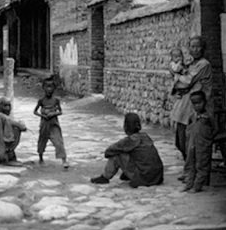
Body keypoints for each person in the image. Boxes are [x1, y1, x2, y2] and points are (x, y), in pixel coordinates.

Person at [170, 36, 213, 164]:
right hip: (183, 108)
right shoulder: (190, 64)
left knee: (191, 143)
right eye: (192, 46)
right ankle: (188, 168)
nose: (195, 49)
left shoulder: (204, 64)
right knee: (180, 142)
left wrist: (177, 78)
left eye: (198, 46)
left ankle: (192, 171)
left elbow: (187, 82)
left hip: (195, 109)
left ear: (203, 48)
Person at [91, 113, 164, 188]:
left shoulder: (130, 140)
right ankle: (127, 174)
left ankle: (105, 177)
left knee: (117, 155)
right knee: (132, 153)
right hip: (157, 177)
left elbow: (108, 152)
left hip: (144, 178)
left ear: (126, 126)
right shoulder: (145, 136)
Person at [183, 91, 216, 193]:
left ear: (204, 102)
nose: (197, 106)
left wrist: (209, 139)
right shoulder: (192, 115)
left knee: (201, 164)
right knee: (190, 164)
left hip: (203, 144)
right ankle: (189, 184)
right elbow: (188, 127)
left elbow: (215, 128)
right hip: (192, 143)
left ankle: (197, 186)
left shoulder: (209, 115)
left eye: (199, 103)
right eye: (194, 103)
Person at [33, 77, 69, 168]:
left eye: (51, 87)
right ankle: (40, 158)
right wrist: (43, 116)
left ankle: (64, 160)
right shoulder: (41, 101)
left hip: (54, 124)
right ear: (43, 88)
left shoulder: (56, 100)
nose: (49, 89)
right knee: (42, 141)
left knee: (58, 141)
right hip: (44, 124)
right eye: (47, 87)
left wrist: (53, 113)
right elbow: (35, 111)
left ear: (54, 89)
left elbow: (60, 112)